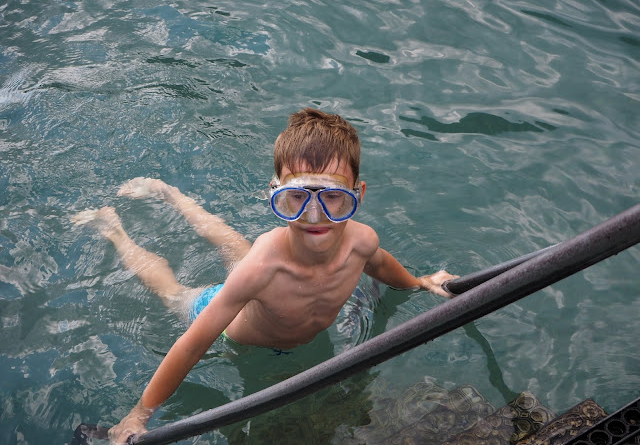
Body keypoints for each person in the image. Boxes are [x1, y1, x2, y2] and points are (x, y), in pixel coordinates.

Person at [72, 108, 458, 444]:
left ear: (358, 194)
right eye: (297, 196)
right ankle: (114, 229)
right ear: (275, 193)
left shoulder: (362, 241)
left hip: (267, 283)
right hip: (233, 326)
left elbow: (380, 265)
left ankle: (168, 194)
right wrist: (139, 415)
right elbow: (191, 346)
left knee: (233, 245)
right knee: (173, 293)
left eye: (333, 196)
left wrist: (420, 282)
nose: (315, 215)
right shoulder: (260, 270)